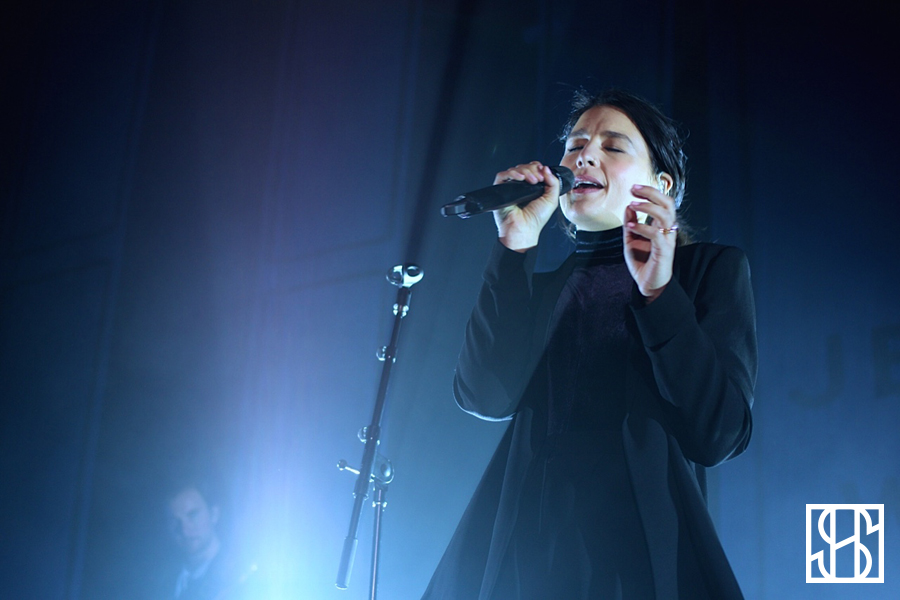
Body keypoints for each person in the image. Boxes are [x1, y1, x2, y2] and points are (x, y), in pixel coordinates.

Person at [422, 89, 757, 599]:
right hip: (530, 553)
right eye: (576, 145)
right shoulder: (542, 287)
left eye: (612, 146)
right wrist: (514, 246)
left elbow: (720, 435)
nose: (583, 156)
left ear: (661, 184)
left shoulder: (707, 271)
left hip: (639, 561)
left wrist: (660, 294)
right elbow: (483, 395)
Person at [165, 477, 258, 600]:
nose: (184, 529)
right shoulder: (164, 579)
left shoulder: (241, 576)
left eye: (192, 515)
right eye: (175, 521)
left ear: (214, 514)